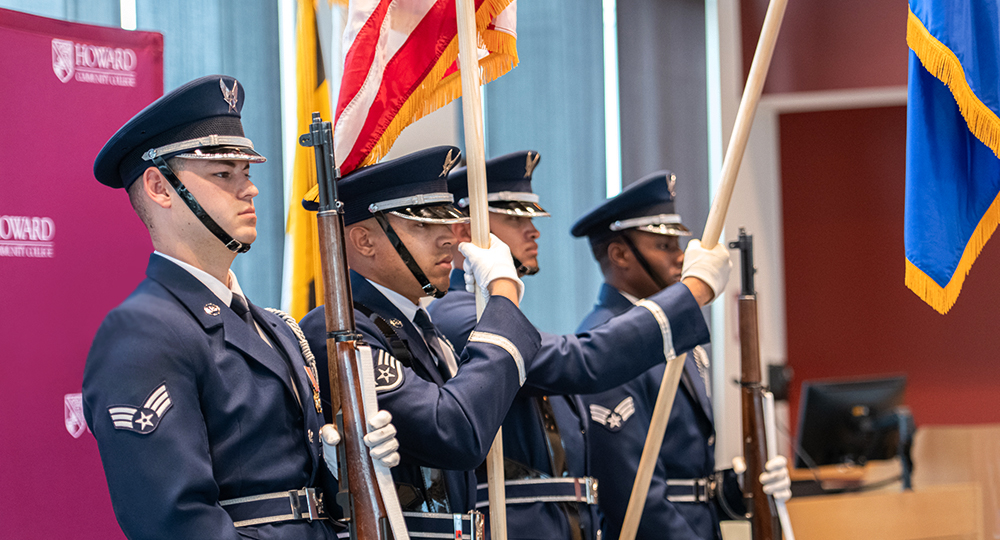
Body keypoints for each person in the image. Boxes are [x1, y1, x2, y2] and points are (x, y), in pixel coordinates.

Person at [83, 75, 398, 540]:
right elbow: (175, 523)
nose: (249, 190)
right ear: (159, 187)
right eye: (223, 174)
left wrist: (344, 467)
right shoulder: (142, 332)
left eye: (246, 173)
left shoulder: (273, 327)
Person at [428, 152, 734, 540]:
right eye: (515, 218)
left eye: (531, 219)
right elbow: (581, 362)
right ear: (465, 232)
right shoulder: (457, 317)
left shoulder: (503, 316)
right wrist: (693, 293)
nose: (533, 231)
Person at [299, 146, 543, 538]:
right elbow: (454, 431)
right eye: (422, 225)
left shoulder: (420, 330)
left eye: (445, 222)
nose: (448, 238)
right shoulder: (345, 333)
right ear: (364, 241)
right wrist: (503, 294)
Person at [571, 172, 792, 540]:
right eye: (664, 245)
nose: (680, 257)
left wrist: (741, 486)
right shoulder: (605, 340)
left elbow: (688, 482)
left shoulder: (667, 334)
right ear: (620, 254)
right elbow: (632, 495)